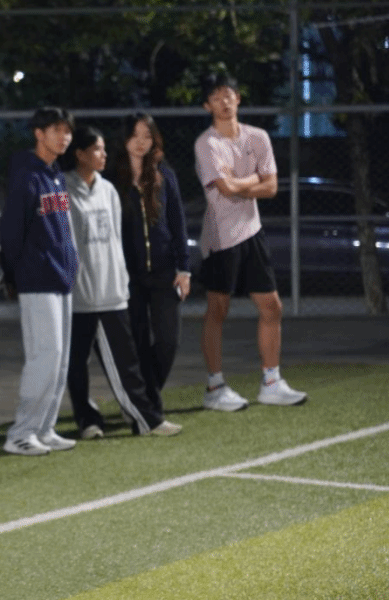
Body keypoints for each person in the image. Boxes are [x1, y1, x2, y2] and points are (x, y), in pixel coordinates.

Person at [194, 74, 308, 410]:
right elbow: (224, 189)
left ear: (238, 98)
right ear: (207, 105)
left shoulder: (258, 137)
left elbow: (271, 188)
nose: (224, 102)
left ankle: (271, 382)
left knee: (272, 307)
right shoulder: (206, 143)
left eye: (228, 95)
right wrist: (254, 177)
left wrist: (243, 181)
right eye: (216, 97)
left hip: (252, 232)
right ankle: (215, 387)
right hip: (220, 236)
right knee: (218, 309)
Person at [60, 126, 182, 438]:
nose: (103, 155)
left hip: (111, 292)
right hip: (79, 294)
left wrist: (121, 281)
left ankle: (146, 419)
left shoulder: (108, 190)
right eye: (96, 150)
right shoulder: (63, 189)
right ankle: (88, 421)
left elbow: (115, 240)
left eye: (104, 149)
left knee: (126, 361)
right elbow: (63, 240)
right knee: (76, 363)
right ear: (80, 154)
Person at [0, 106, 79, 456]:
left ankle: (44, 428)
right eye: (56, 130)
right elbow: (11, 231)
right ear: (39, 133)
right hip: (37, 278)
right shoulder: (26, 175)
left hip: (61, 277)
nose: (64, 137)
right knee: (45, 357)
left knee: (60, 360)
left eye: (67, 131)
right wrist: (13, 273)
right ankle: (21, 432)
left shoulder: (55, 174)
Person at [112, 113, 192, 414]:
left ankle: (146, 397)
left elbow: (178, 222)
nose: (141, 142)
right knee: (138, 342)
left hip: (165, 271)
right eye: (135, 135)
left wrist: (184, 268)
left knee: (169, 340)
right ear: (124, 138)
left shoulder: (164, 174)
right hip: (128, 275)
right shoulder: (112, 177)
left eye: (147, 136)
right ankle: (145, 405)